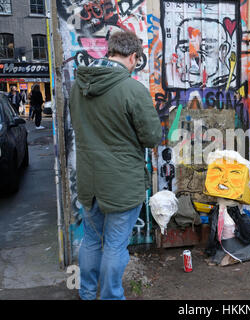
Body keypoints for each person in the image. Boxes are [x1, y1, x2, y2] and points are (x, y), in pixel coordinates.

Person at [69, 30, 162, 300]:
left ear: (110, 51)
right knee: (114, 246)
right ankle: (110, 297)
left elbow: (79, 126)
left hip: (89, 181)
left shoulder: (79, 86)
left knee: (90, 240)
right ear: (133, 57)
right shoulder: (132, 89)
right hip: (122, 184)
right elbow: (152, 137)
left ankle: (87, 293)